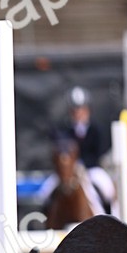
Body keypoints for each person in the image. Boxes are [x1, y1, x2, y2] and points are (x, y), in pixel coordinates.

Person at [39, 86, 117, 214]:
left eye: (81, 109)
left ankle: (110, 217)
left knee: (106, 188)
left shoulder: (95, 130)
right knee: (45, 191)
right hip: (69, 171)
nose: (78, 113)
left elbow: (98, 152)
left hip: (90, 169)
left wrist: (83, 164)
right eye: (74, 110)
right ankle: (44, 221)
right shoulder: (66, 130)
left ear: (87, 109)